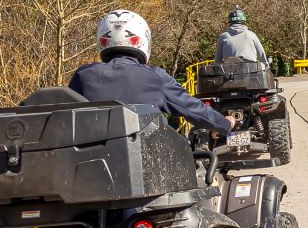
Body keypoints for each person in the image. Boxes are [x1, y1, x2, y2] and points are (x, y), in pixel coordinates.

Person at [69, 10, 233, 136]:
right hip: (144, 166)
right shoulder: (155, 78)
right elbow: (192, 109)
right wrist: (224, 124)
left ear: (102, 40)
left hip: (89, 167)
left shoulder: (83, 76)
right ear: (142, 39)